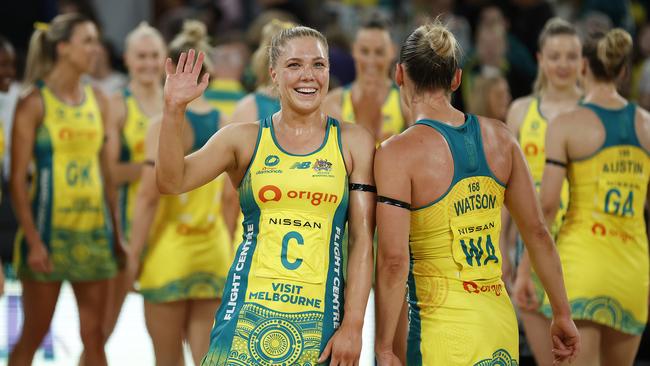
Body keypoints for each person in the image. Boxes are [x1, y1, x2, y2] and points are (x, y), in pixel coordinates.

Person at [156, 25, 375, 365]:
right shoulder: (242, 139)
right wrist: (173, 109)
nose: (309, 76)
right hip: (245, 312)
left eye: (319, 65)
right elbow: (172, 180)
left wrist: (354, 325)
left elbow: (362, 241)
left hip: (320, 321)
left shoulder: (353, 141)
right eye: (294, 65)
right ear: (273, 74)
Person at [373, 22, 580, 365]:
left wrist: (382, 346)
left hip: (440, 334)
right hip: (499, 325)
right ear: (456, 78)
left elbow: (394, 262)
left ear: (399, 74)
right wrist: (562, 313)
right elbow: (539, 233)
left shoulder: (396, 153)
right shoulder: (501, 137)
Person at [517, 28, 650, 366]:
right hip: (633, 269)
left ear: (584, 68)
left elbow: (547, 206)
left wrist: (523, 271)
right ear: (623, 71)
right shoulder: (647, 124)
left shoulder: (567, 123)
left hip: (581, 265)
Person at [9, 14, 124, 366]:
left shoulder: (100, 100)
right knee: (32, 335)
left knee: (95, 339)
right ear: (63, 48)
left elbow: (107, 177)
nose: (96, 49)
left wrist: (116, 235)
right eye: (87, 41)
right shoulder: (34, 102)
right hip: (47, 237)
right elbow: (16, 180)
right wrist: (33, 240)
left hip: (93, 236)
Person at [128, 20, 233, 365]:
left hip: (168, 252)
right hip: (213, 251)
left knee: (167, 360)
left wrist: (133, 255)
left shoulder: (162, 125)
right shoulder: (224, 124)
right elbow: (231, 200)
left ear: (168, 73)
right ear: (208, 76)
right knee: (208, 359)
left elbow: (146, 198)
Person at [506, 18, 583, 366]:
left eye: (571, 56)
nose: (563, 65)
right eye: (555, 56)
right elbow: (504, 188)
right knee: (549, 359)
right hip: (530, 241)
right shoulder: (521, 111)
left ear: (583, 62)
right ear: (540, 59)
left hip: (579, 241)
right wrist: (501, 247)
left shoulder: (594, 112)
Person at [101, 21, 166, 345]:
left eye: (155, 55)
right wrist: (152, 167)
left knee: (166, 341)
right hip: (126, 233)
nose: (149, 64)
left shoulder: (177, 103)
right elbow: (108, 173)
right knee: (102, 333)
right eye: (141, 56)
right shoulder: (117, 103)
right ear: (126, 59)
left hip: (168, 235)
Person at [323, 18, 407, 143]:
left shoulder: (405, 101)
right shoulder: (332, 102)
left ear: (392, 51)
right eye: (364, 51)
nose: (371, 60)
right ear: (354, 50)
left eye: (379, 52)